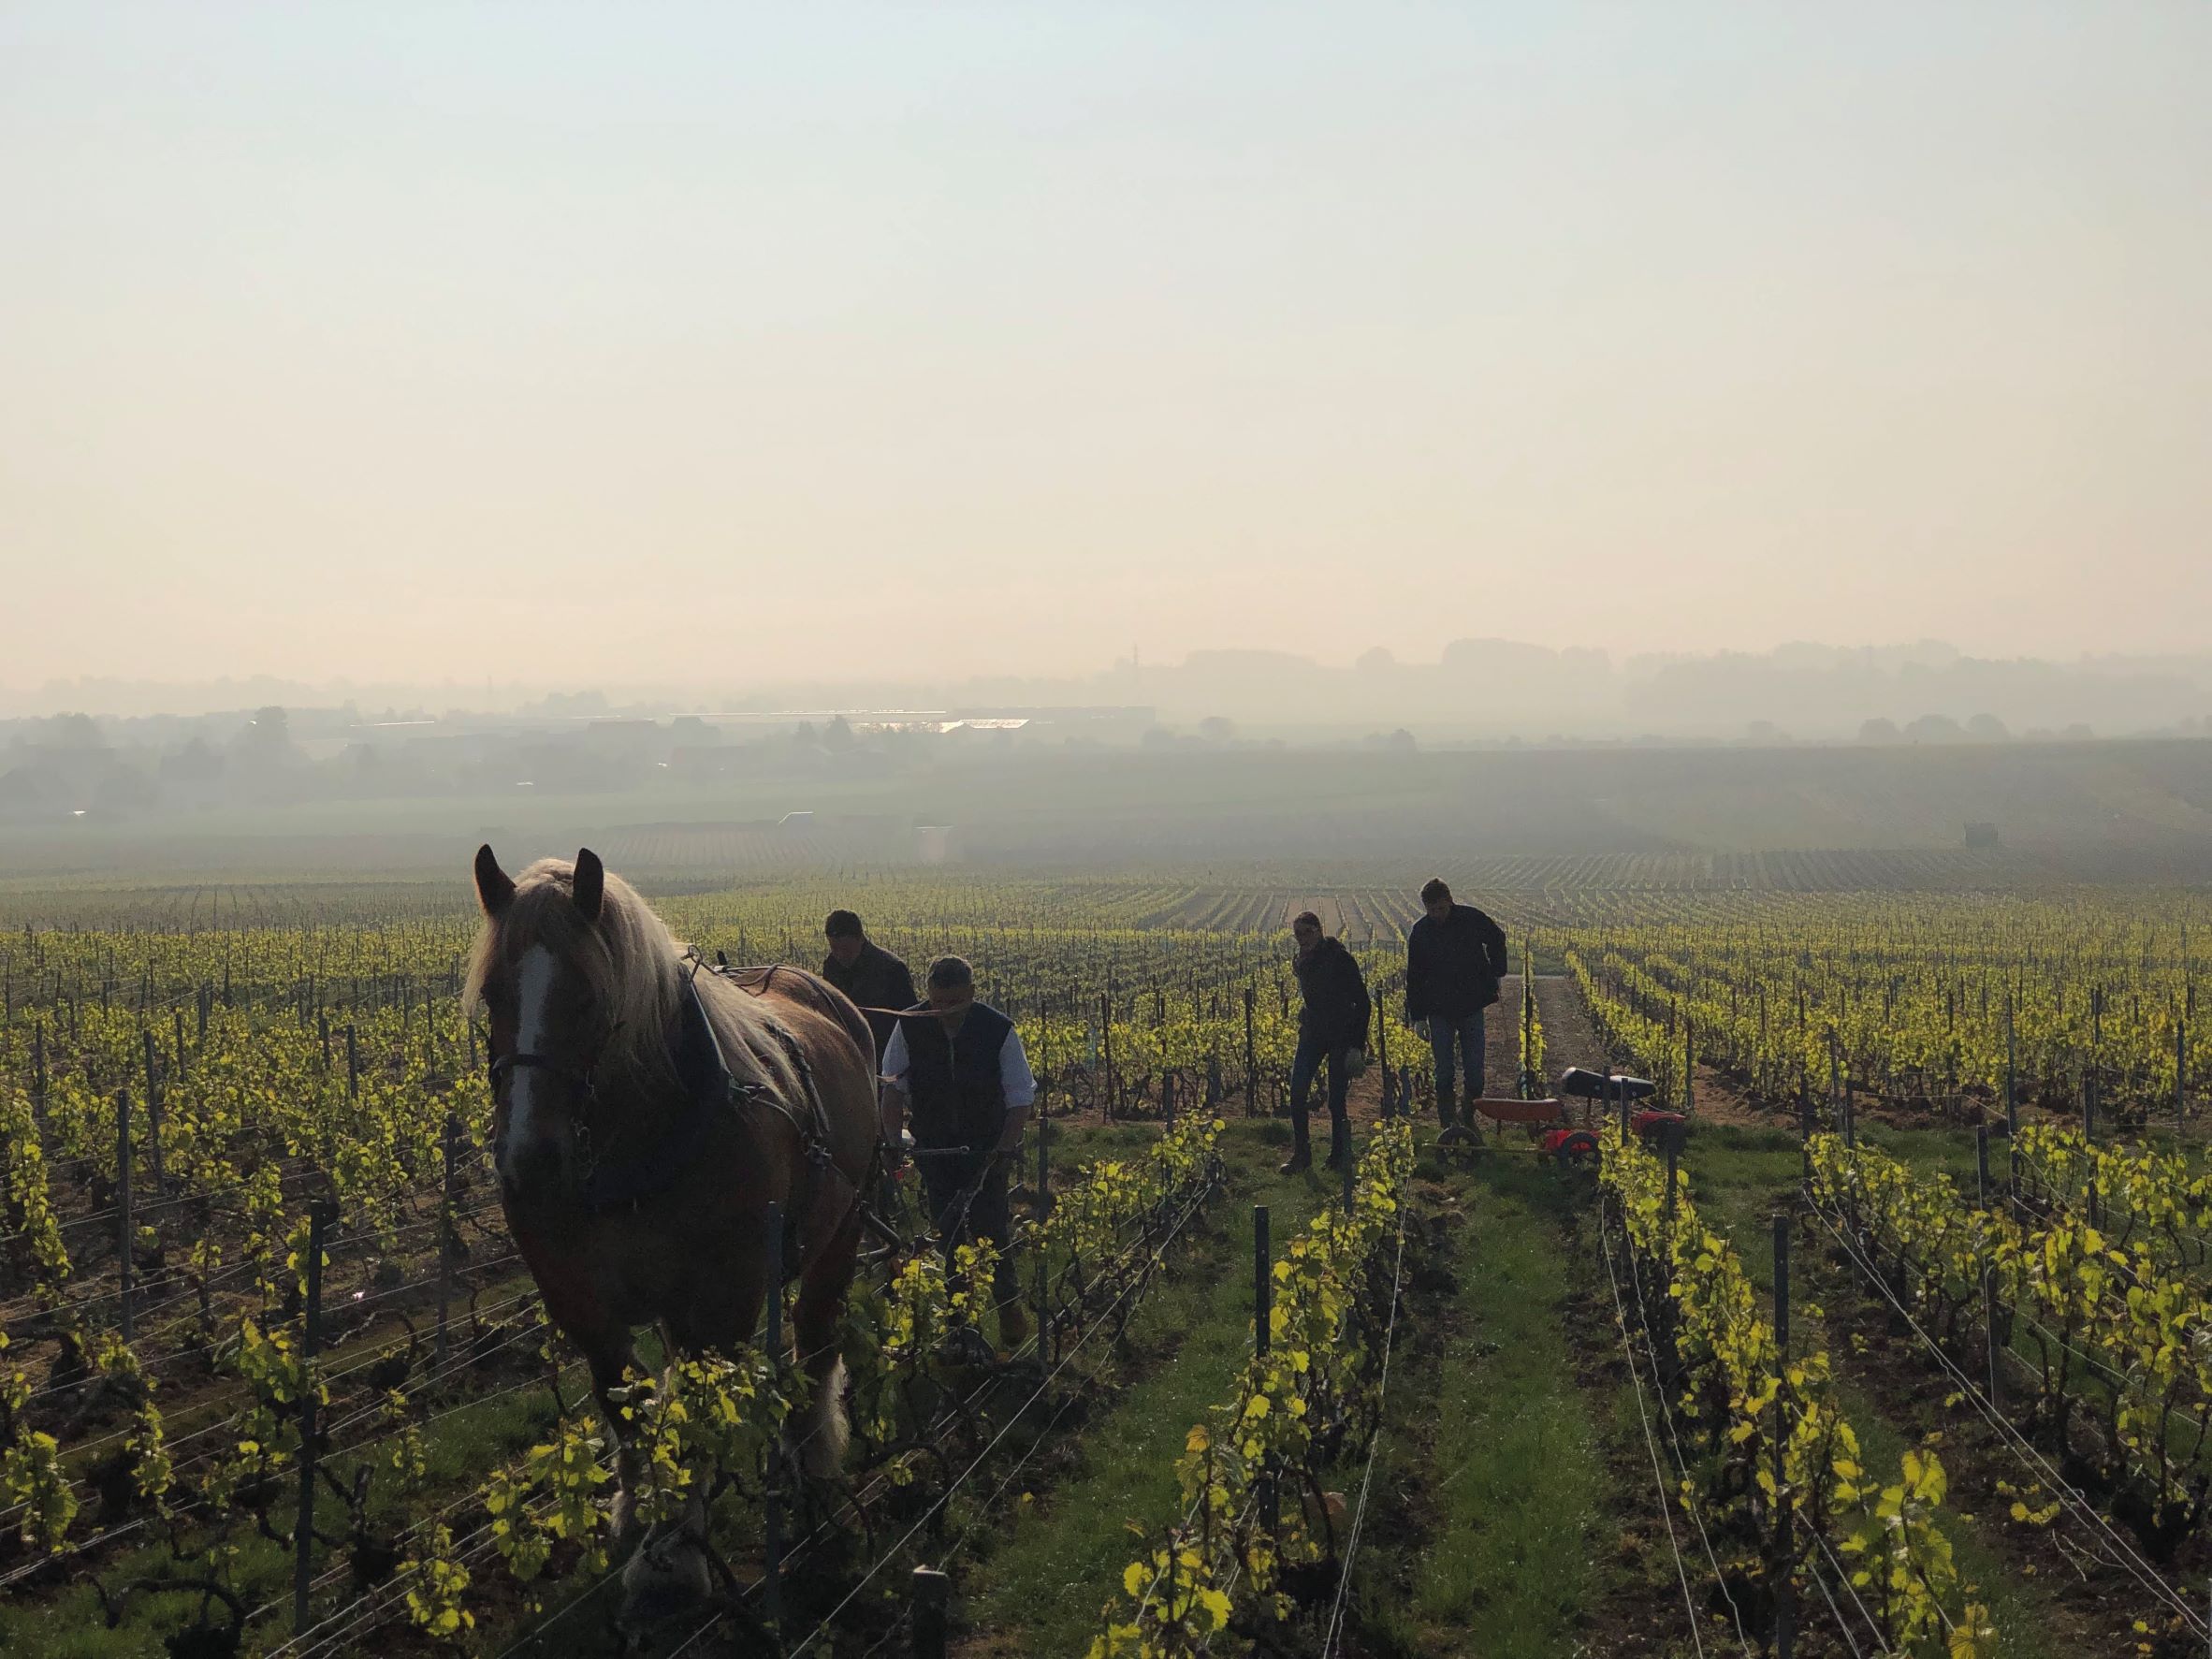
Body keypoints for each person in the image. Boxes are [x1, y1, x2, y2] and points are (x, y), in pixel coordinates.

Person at [878, 955, 1033, 1347]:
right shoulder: (909, 1025)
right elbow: (893, 1089)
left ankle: (1007, 1304)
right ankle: (959, 1323)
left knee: (992, 1229)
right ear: (929, 995)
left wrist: (1003, 1149)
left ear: (972, 994)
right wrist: (894, 1141)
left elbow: (1018, 1099)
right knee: (948, 1234)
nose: (946, 1011)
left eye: (956, 1002)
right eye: (939, 1003)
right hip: (935, 1149)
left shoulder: (998, 1029)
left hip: (986, 1149)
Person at [1404, 877, 1509, 1132]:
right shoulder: (1421, 932)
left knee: (1475, 1070)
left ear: (1450, 901)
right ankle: (1448, 1124)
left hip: (1471, 1005)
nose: (1437, 914)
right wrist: (1417, 1017)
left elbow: (1497, 937)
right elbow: (1414, 976)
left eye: (1441, 908)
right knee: (1444, 1071)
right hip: (1438, 1010)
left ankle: (1467, 1116)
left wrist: (1497, 972)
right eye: (1431, 910)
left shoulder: (1471, 919)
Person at [1282, 910, 1372, 1175]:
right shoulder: (1302, 961)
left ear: (1319, 931)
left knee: (1336, 1099)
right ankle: (1302, 1154)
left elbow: (1363, 1003)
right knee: (1297, 1091)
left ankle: (1339, 1155)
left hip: (1340, 1035)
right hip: (1312, 1035)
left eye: (1307, 933)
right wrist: (1306, 1010)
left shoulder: (1340, 958)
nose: (1302, 939)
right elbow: (1315, 995)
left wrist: (1357, 1044)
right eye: (1298, 934)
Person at [822, 910, 917, 1061]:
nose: (839, 955)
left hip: (884, 1055)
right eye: (834, 949)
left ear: (860, 938)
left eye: (845, 949)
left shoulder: (891, 969)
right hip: (847, 1055)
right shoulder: (831, 967)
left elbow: (909, 1020)